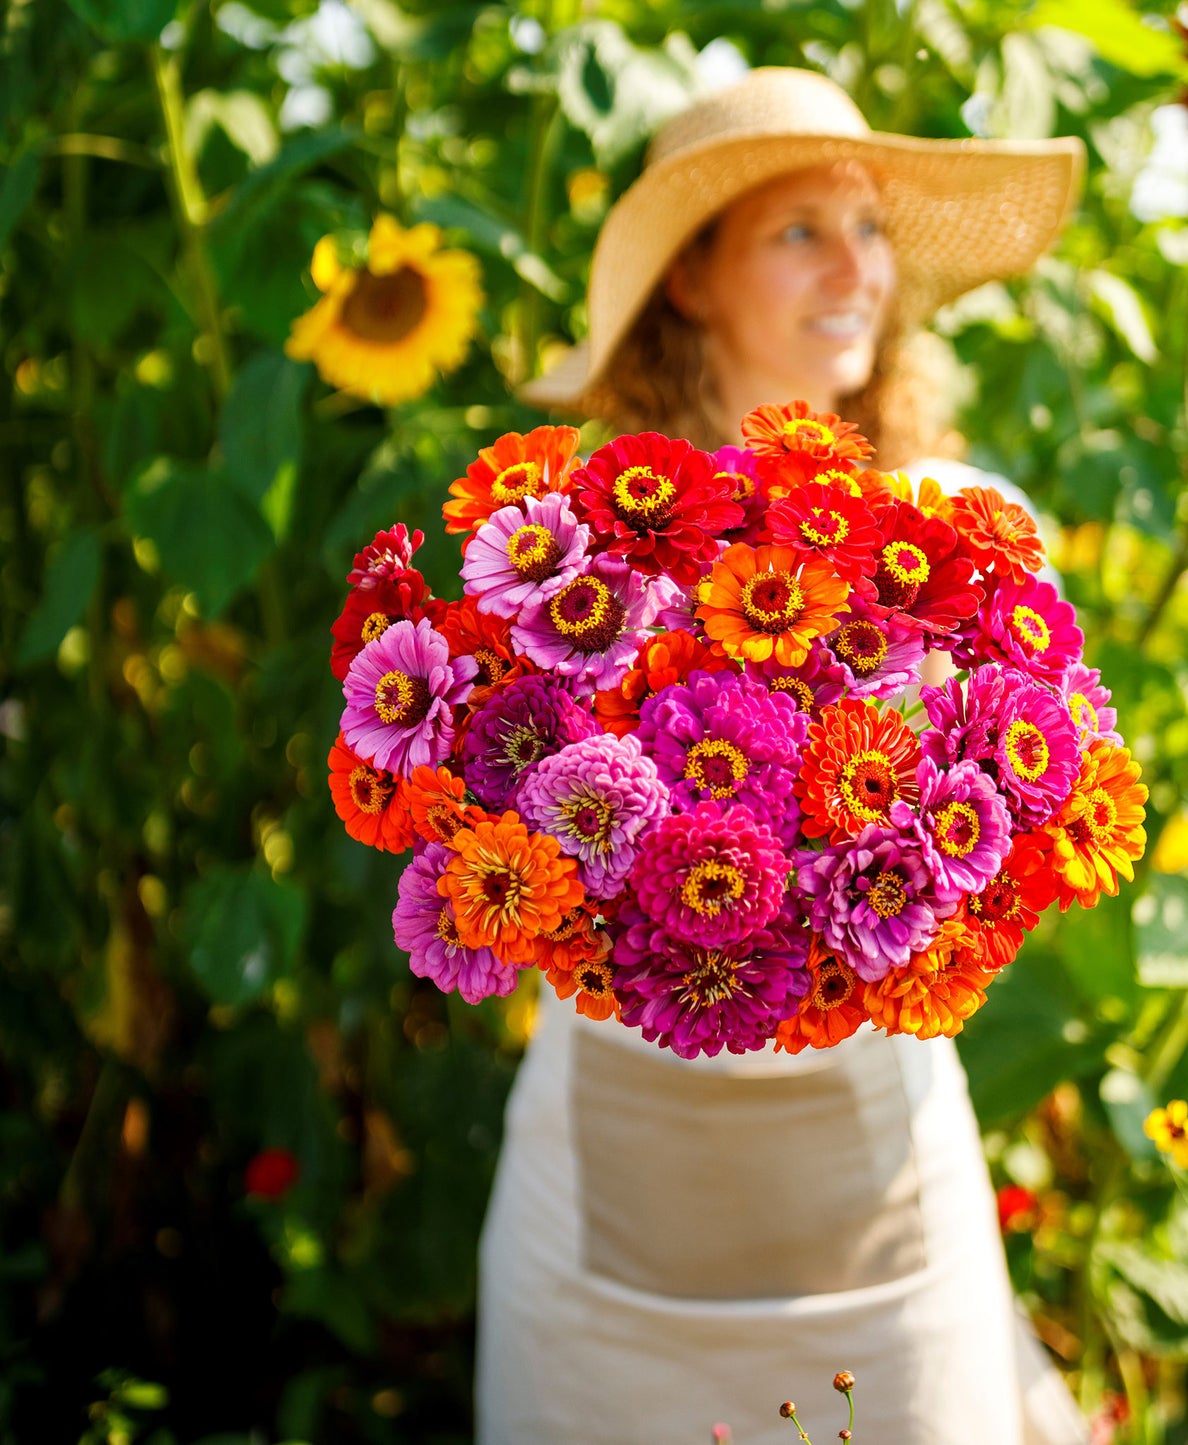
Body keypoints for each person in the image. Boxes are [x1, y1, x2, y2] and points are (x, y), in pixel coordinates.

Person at [477, 67, 1087, 1445]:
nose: (853, 268)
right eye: (796, 230)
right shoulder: (576, 554)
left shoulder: (963, 529)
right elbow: (502, 835)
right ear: (690, 281)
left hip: (877, 1220)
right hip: (610, 1226)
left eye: (865, 227)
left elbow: (1023, 838)